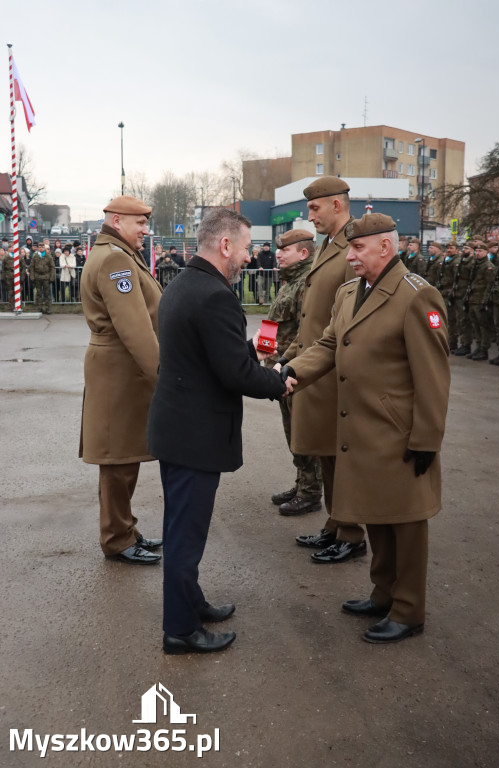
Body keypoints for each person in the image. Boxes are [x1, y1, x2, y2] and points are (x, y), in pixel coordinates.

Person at [284, 213, 450, 644]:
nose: (351, 256)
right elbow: (327, 346)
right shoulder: (349, 292)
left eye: (358, 248)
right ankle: (383, 594)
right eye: (350, 248)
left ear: (386, 247)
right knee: (376, 513)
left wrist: (427, 439)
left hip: (398, 431)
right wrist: (288, 373)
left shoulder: (417, 297)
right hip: (360, 427)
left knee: (407, 522)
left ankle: (409, 609)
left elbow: (433, 377)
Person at [147, 208, 291, 655]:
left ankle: (192, 603)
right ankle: (181, 630)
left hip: (176, 430)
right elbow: (235, 375)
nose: (249, 257)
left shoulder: (183, 284)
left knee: (181, 530)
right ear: (225, 245)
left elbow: (212, 355)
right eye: (247, 248)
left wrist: (251, 350)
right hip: (194, 437)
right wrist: (279, 381)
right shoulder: (215, 295)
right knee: (185, 537)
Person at [277, 176, 366, 564]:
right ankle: (335, 524)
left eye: (315, 207)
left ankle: (351, 532)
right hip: (316, 366)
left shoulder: (354, 245)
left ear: (336, 205)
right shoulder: (330, 245)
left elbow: (357, 317)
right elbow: (314, 319)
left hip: (337, 373)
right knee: (328, 455)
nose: (309, 215)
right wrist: (289, 359)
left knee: (342, 457)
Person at [79, 195, 163, 565]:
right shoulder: (115, 259)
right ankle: (117, 538)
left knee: (123, 458)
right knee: (118, 461)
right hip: (121, 371)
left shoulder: (117, 254)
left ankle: (124, 528)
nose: (145, 230)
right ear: (116, 221)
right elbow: (136, 330)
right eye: (139, 223)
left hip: (119, 370)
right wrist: (163, 377)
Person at [266, 229, 323, 516]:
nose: (278, 254)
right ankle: (302, 484)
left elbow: (306, 332)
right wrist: (263, 355)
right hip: (278, 369)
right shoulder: (289, 280)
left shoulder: (307, 283)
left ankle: (311, 493)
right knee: (292, 432)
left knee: (301, 434)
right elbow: (273, 320)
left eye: (284, 250)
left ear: (303, 253)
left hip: (295, 370)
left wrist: (284, 363)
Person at [465, 241, 495, 361]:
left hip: (481, 299)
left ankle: (484, 349)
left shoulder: (488, 267)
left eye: (480, 251)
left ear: (486, 252)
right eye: (476, 251)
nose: (477, 253)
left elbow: (490, 285)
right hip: (473, 299)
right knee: (475, 325)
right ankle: (478, 347)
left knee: (483, 326)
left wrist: (485, 301)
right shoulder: (475, 265)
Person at [452, 242, 476, 356]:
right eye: (463, 248)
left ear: (472, 250)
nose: (464, 250)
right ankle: (463, 344)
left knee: (465, 321)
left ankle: (466, 345)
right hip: (459, 294)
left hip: (466, 295)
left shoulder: (472, 263)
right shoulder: (462, 261)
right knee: (460, 320)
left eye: (466, 248)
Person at [437, 242, 460, 352]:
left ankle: (453, 342)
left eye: (451, 248)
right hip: (443, 292)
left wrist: (452, 292)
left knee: (451, 319)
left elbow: (456, 279)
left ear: (456, 249)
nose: (448, 250)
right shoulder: (446, 260)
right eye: (447, 248)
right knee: (444, 318)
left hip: (450, 293)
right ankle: (447, 341)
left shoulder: (456, 262)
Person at [30, 241, 55, 314]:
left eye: (42, 247)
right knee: (38, 293)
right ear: (38, 248)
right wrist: (32, 276)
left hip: (46, 277)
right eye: (40, 247)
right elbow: (32, 267)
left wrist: (51, 277)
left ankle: (48, 308)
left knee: (47, 293)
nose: (41, 248)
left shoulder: (48, 256)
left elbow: (52, 267)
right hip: (37, 277)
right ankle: (38, 308)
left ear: (44, 248)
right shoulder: (35, 256)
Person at [1, 245, 26, 310]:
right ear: (8, 249)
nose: (12, 249)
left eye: (13, 247)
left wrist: (22, 277)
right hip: (9, 276)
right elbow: (3, 269)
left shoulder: (19, 257)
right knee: (10, 292)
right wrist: (3, 278)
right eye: (10, 247)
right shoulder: (6, 257)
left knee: (18, 291)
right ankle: (11, 307)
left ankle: (18, 307)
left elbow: (23, 268)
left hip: (18, 276)